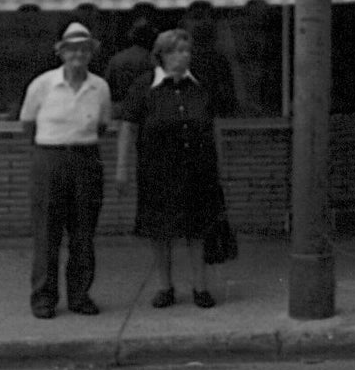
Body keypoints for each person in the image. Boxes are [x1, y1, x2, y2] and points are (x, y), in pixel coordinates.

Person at [117, 27, 229, 309]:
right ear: (162, 55)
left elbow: (213, 126)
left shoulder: (200, 85)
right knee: (160, 231)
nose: (184, 56)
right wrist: (122, 169)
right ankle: (165, 287)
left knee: (197, 230)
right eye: (178, 51)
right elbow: (128, 128)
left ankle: (200, 287)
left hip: (197, 170)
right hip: (158, 171)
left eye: (187, 51)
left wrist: (221, 165)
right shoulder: (144, 87)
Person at [18, 21, 111, 319]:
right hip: (50, 160)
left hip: (86, 161)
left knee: (83, 232)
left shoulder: (100, 87)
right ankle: (44, 299)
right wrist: (52, 148)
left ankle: (80, 296)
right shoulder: (43, 84)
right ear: (61, 52)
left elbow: (102, 125)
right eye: (72, 50)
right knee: (47, 233)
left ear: (91, 53)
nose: (78, 55)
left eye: (84, 50)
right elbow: (28, 124)